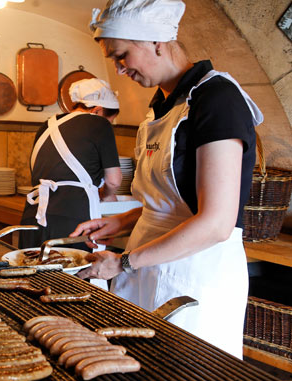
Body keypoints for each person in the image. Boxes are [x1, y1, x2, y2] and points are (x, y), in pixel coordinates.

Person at [71, 0, 263, 358]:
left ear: (156, 42)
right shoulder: (164, 104)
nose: (119, 69)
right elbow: (171, 204)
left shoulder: (216, 99)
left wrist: (125, 261)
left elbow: (216, 223)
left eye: (121, 55)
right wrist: (121, 222)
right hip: (150, 267)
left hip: (193, 276)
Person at [19, 77, 123, 254]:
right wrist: (106, 195)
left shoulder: (47, 125)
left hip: (33, 215)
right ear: (97, 110)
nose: (109, 125)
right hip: (74, 219)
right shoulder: (99, 123)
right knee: (72, 280)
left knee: (32, 277)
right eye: (110, 120)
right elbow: (114, 181)